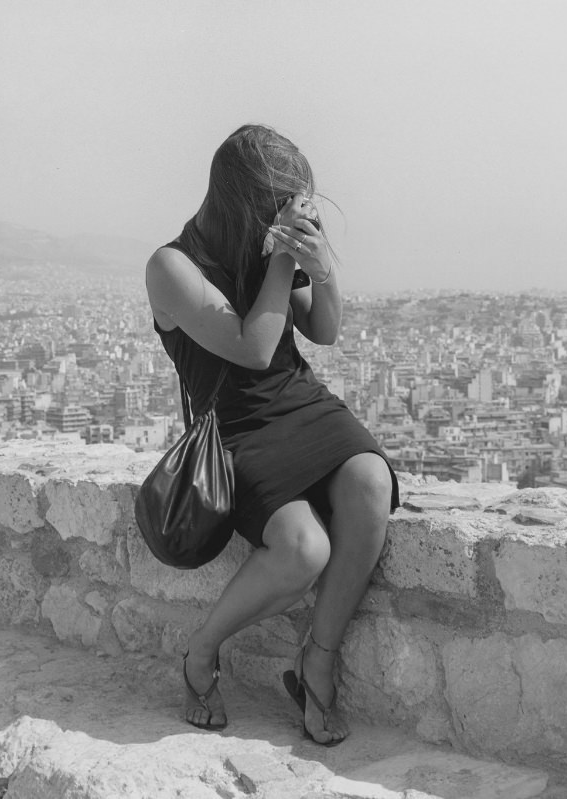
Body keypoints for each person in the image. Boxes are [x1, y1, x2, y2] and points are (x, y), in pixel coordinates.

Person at [144, 124, 399, 746]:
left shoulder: (269, 248)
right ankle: (202, 652)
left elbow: (327, 330)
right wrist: (285, 255)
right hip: (234, 428)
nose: (288, 216)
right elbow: (254, 349)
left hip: (300, 402)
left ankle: (319, 657)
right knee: (302, 550)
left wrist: (321, 266)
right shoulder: (172, 266)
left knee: (370, 478)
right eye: (280, 204)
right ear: (244, 198)